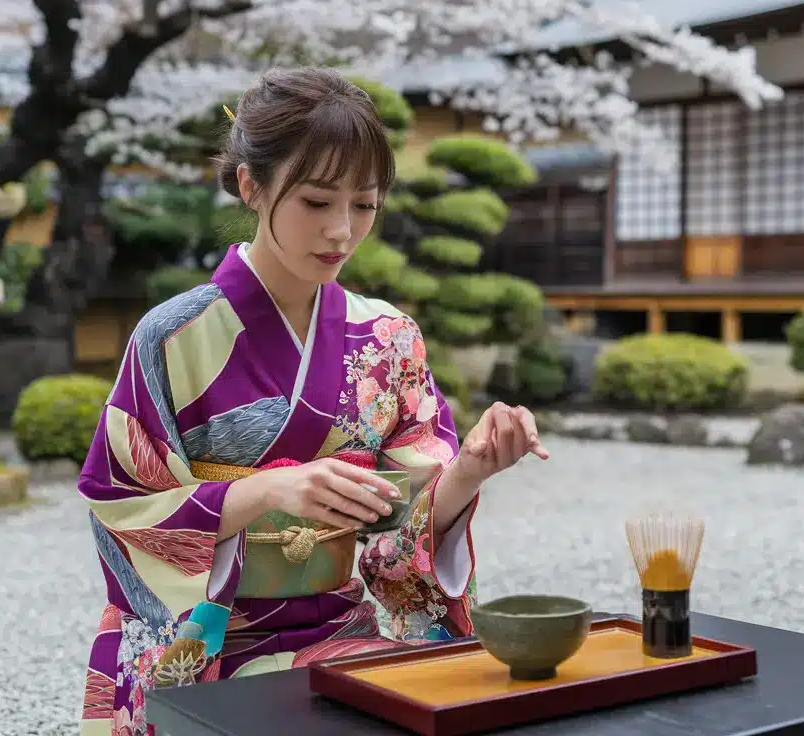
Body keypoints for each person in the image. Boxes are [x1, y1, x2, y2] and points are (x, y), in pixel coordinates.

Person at [77, 66, 550, 736]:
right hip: (198, 639)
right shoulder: (172, 335)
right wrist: (272, 492)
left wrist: (468, 469)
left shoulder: (388, 338)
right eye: (317, 202)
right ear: (251, 184)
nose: (342, 231)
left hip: (338, 630)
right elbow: (123, 507)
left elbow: (401, 526)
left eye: (364, 205)